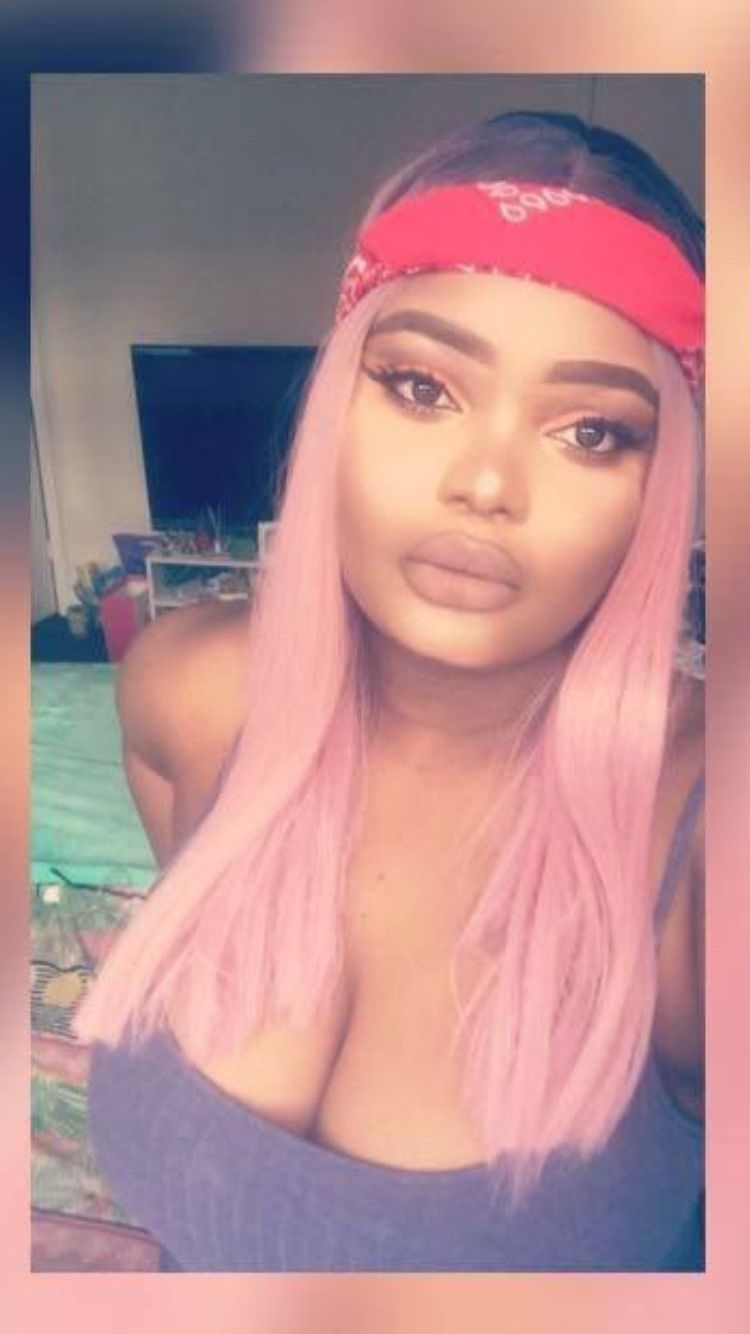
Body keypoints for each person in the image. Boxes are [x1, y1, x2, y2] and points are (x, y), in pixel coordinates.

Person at [74, 109, 705, 1271]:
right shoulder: (181, 686)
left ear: (661, 485)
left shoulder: (704, 838)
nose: (486, 482)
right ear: (337, 404)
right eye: (421, 384)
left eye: (591, 431)